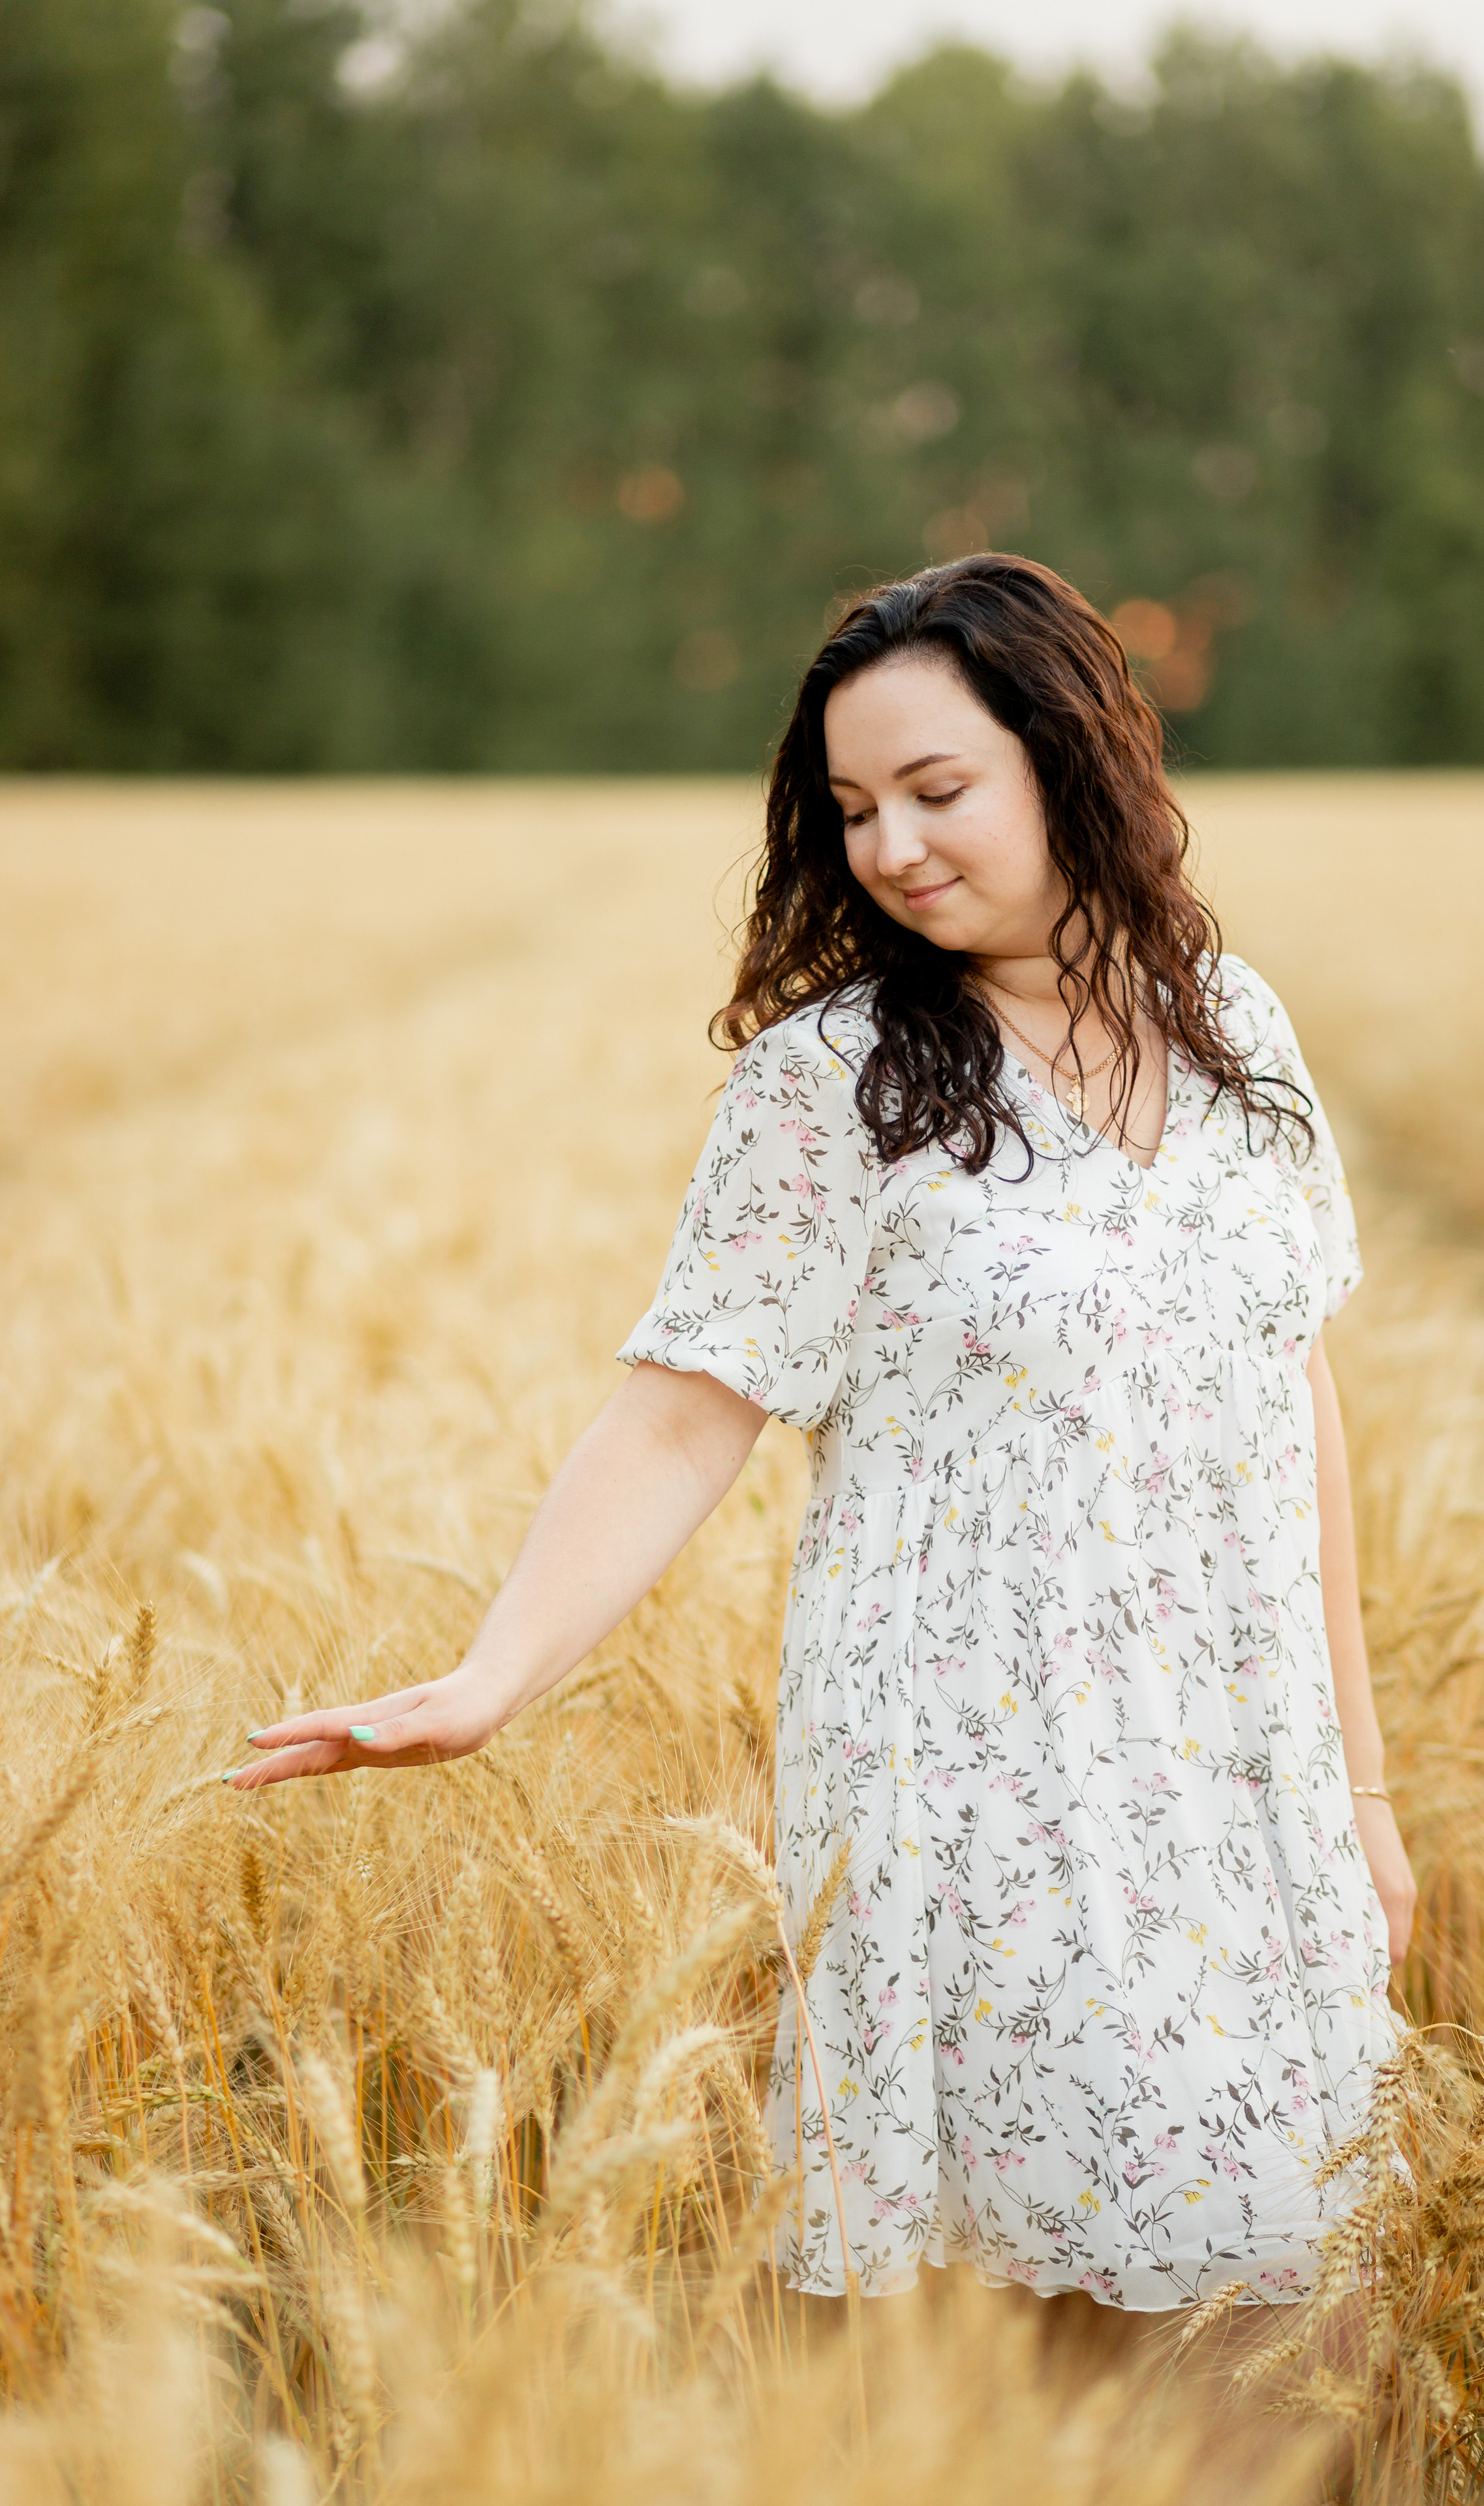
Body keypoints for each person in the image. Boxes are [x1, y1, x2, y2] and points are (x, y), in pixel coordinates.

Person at [234, 553, 1416, 2313]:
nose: (891, 848)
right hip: (982, 1767)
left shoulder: (1237, 1031)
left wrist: (1363, 1791)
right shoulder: (837, 1080)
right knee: (1008, 2309)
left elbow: (1292, 1398)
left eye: (938, 791)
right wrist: (491, 1680)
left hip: (1238, 1752)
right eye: (854, 809)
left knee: (1263, 2300)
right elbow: (687, 1408)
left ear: (1069, 759)